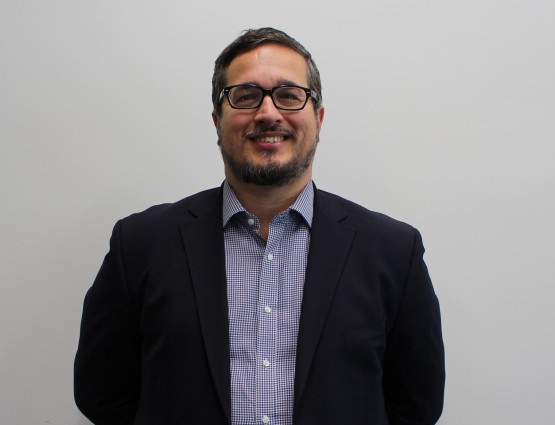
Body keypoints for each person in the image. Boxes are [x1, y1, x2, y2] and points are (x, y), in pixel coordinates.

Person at [74, 27, 445, 425]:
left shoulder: (393, 251)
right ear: (217, 121)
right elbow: (103, 394)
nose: (268, 113)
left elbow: (416, 407)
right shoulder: (140, 245)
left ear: (318, 119)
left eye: (289, 95)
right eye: (246, 96)